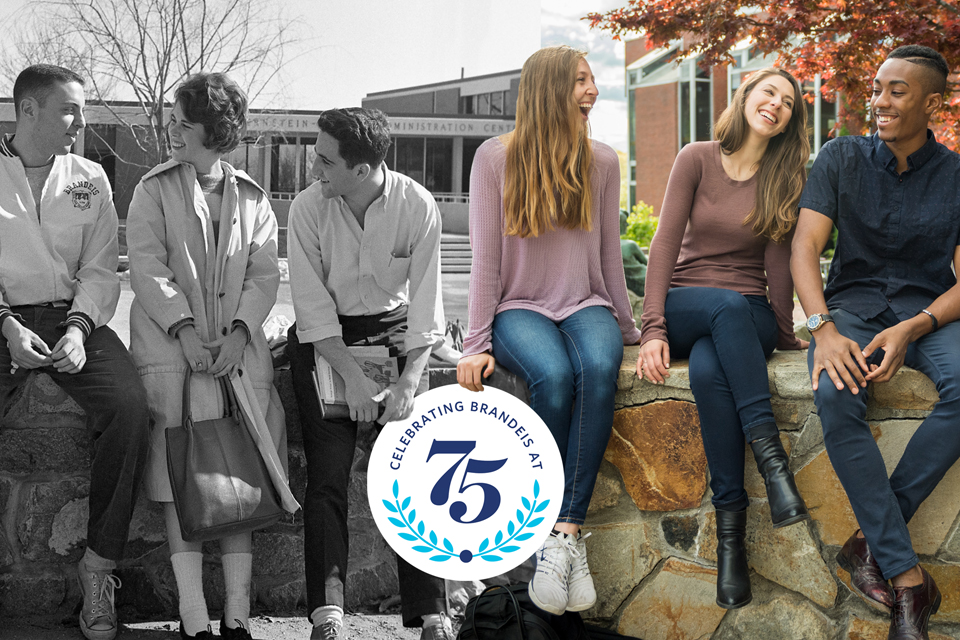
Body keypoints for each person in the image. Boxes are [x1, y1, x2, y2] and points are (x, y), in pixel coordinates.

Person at [457, 45, 640, 616]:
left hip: (586, 303)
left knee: (599, 367)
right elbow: (485, 259)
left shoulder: (603, 161)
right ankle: (544, 528)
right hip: (520, 308)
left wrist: (633, 330)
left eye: (593, 80)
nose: (593, 90)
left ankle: (564, 536)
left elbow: (610, 257)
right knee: (555, 378)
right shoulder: (494, 157)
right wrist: (474, 346)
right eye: (581, 81)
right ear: (549, 89)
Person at [791, 45, 960, 639]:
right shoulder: (840, 157)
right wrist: (824, 330)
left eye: (897, 91)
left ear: (931, 104)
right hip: (854, 311)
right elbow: (804, 249)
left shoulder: (959, 176)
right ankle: (908, 580)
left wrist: (916, 326)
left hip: (931, 314)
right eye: (878, 88)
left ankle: (870, 544)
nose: (879, 102)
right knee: (836, 394)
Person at [127, 72, 295, 640]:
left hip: (238, 362)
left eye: (182, 122)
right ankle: (194, 616)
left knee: (238, 479)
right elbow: (147, 266)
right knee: (182, 481)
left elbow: (265, 272)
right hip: (176, 359)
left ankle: (238, 615)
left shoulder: (253, 197)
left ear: (213, 131)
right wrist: (185, 329)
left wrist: (243, 331)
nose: (172, 130)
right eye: (172, 120)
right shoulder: (153, 189)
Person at [637, 67, 811, 609]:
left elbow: (778, 265)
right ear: (745, 96)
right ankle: (773, 461)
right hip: (692, 302)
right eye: (769, 93)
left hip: (747, 315)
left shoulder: (787, 178)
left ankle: (731, 543)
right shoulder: (696, 157)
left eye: (787, 102)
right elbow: (664, 245)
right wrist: (652, 328)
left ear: (788, 121)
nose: (776, 105)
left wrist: (784, 332)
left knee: (714, 371)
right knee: (724, 305)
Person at [285, 107, 451, 640]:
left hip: (397, 336)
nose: (314, 169)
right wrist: (354, 381)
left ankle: (433, 613)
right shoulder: (309, 208)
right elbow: (311, 309)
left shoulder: (417, 205)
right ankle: (327, 615)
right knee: (327, 476)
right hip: (326, 341)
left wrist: (406, 384)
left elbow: (426, 310)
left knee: (413, 475)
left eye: (325, 161)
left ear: (362, 169)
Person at [0, 64, 150, 640]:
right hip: (5, 318)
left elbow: (100, 268)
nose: (80, 123)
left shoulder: (89, 177)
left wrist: (79, 330)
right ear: (28, 110)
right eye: (69, 110)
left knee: (131, 407)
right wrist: (8, 328)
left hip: (71, 317)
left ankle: (99, 568)